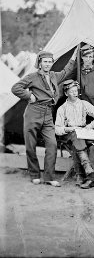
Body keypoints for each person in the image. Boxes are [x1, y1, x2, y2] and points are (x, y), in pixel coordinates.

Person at [11, 49, 77, 187]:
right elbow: (16, 88)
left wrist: (75, 55)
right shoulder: (32, 77)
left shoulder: (54, 76)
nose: (47, 64)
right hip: (33, 113)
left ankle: (49, 177)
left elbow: (67, 71)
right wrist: (29, 96)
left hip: (48, 114)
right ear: (39, 63)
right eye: (45, 62)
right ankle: (34, 174)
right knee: (30, 146)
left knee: (52, 144)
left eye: (50, 62)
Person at [55, 80, 94, 189]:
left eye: (76, 91)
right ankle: (86, 167)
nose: (75, 93)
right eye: (72, 91)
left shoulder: (84, 104)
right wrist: (70, 128)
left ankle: (81, 175)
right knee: (76, 135)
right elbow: (57, 129)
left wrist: (89, 126)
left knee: (85, 143)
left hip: (83, 132)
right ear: (66, 93)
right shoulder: (62, 109)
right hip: (69, 134)